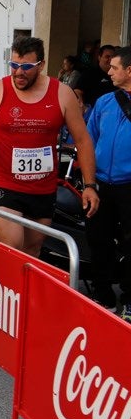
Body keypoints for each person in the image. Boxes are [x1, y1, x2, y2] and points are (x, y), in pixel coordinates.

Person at [0, 36, 99, 257]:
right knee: (13, 246)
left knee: (32, 250)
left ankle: (18, 292)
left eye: (26, 67)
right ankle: (3, 290)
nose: (19, 72)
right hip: (3, 182)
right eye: (14, 65)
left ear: (41, 65)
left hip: (42, 187)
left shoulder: (62, 93)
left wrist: (90, 185)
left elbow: (83, 139)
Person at [84, 45, 131, 315]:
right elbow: (89, 141)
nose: (109, 71)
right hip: (101, 183)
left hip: (129, 186)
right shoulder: (104, 102)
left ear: (129, 70)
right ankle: (103, 297)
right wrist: (88, 182)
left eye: (114, 67)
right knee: (98, 240)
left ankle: (129, 299)